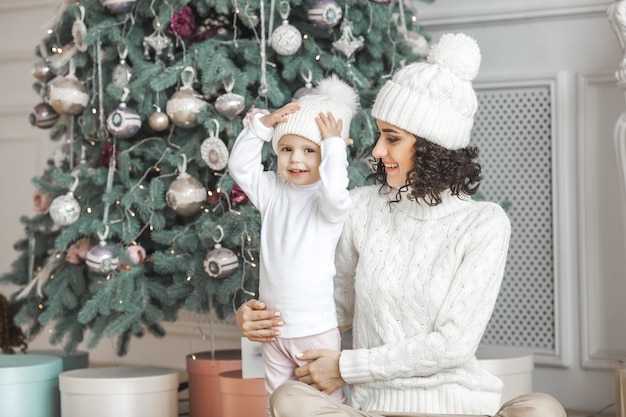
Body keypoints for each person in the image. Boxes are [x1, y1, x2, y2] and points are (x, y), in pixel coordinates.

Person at [235, 33, 567, 417]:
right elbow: (328, 307)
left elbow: (452, 344)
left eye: (391, 138)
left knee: (542, 409)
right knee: (288, 400)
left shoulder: (483, 224)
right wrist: (257, 318)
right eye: (379, 134)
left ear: (432, 146)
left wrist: (346, 367)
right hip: (370, 409)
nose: (376, 151)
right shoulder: (361, 208)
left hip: (457, 408)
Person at [228, 74, 359, 402]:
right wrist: (262, 126)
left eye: (309, 150)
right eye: (286, 148)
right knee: (279, 403)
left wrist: (333, 147)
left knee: (325, 405)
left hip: (315, 330)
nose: (295, 159)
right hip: (274, 329)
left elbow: (336, 193)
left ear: (325, 157)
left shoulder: (328, 202)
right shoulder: (272, 191)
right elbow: (240, 167)